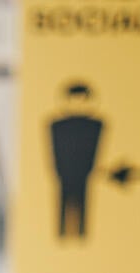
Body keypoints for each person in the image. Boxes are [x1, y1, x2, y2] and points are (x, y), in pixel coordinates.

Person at [49, 82, 104, 241]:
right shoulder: (58, 126)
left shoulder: (94, 125)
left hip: (83, 173)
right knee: (62, 209)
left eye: (81, 99)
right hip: (64, 173)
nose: (77, 103)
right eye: (74, 98)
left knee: (83, 208)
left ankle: (80, 234)